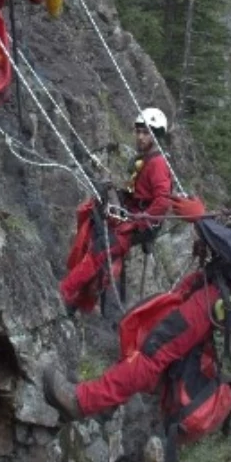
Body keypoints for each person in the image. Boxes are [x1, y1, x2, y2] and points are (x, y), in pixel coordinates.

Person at [43, 104, 231, 421]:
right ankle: (116, 393)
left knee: (157, 346)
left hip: (230, 292)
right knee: (145, 322)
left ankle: (84, 401)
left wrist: (201, 222)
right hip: (220, 279)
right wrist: (209, 231)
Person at [58, 108, 174, 314]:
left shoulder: (157, 164)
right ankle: (79, 296)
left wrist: (139, 220)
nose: (140, 136)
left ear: (156, 136)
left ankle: (66, 293)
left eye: (146, 132)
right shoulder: (145, 158)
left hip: (141, 223)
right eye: (138, 131)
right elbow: (140, 191)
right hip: (134, 213)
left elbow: (163, 200)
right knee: (93, 219)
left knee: (101, 249)